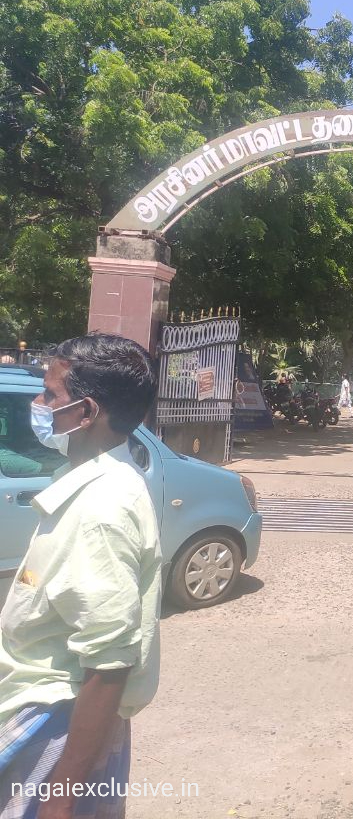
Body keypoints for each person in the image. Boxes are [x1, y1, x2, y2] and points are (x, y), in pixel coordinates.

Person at [0, 334, 161, 819]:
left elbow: (110, 662)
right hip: (52, 711)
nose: (38, 403)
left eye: (50, 394)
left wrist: (60, 797)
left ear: (86, 412)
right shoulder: (90, 484)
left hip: (55, 721)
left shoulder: (101, 509)